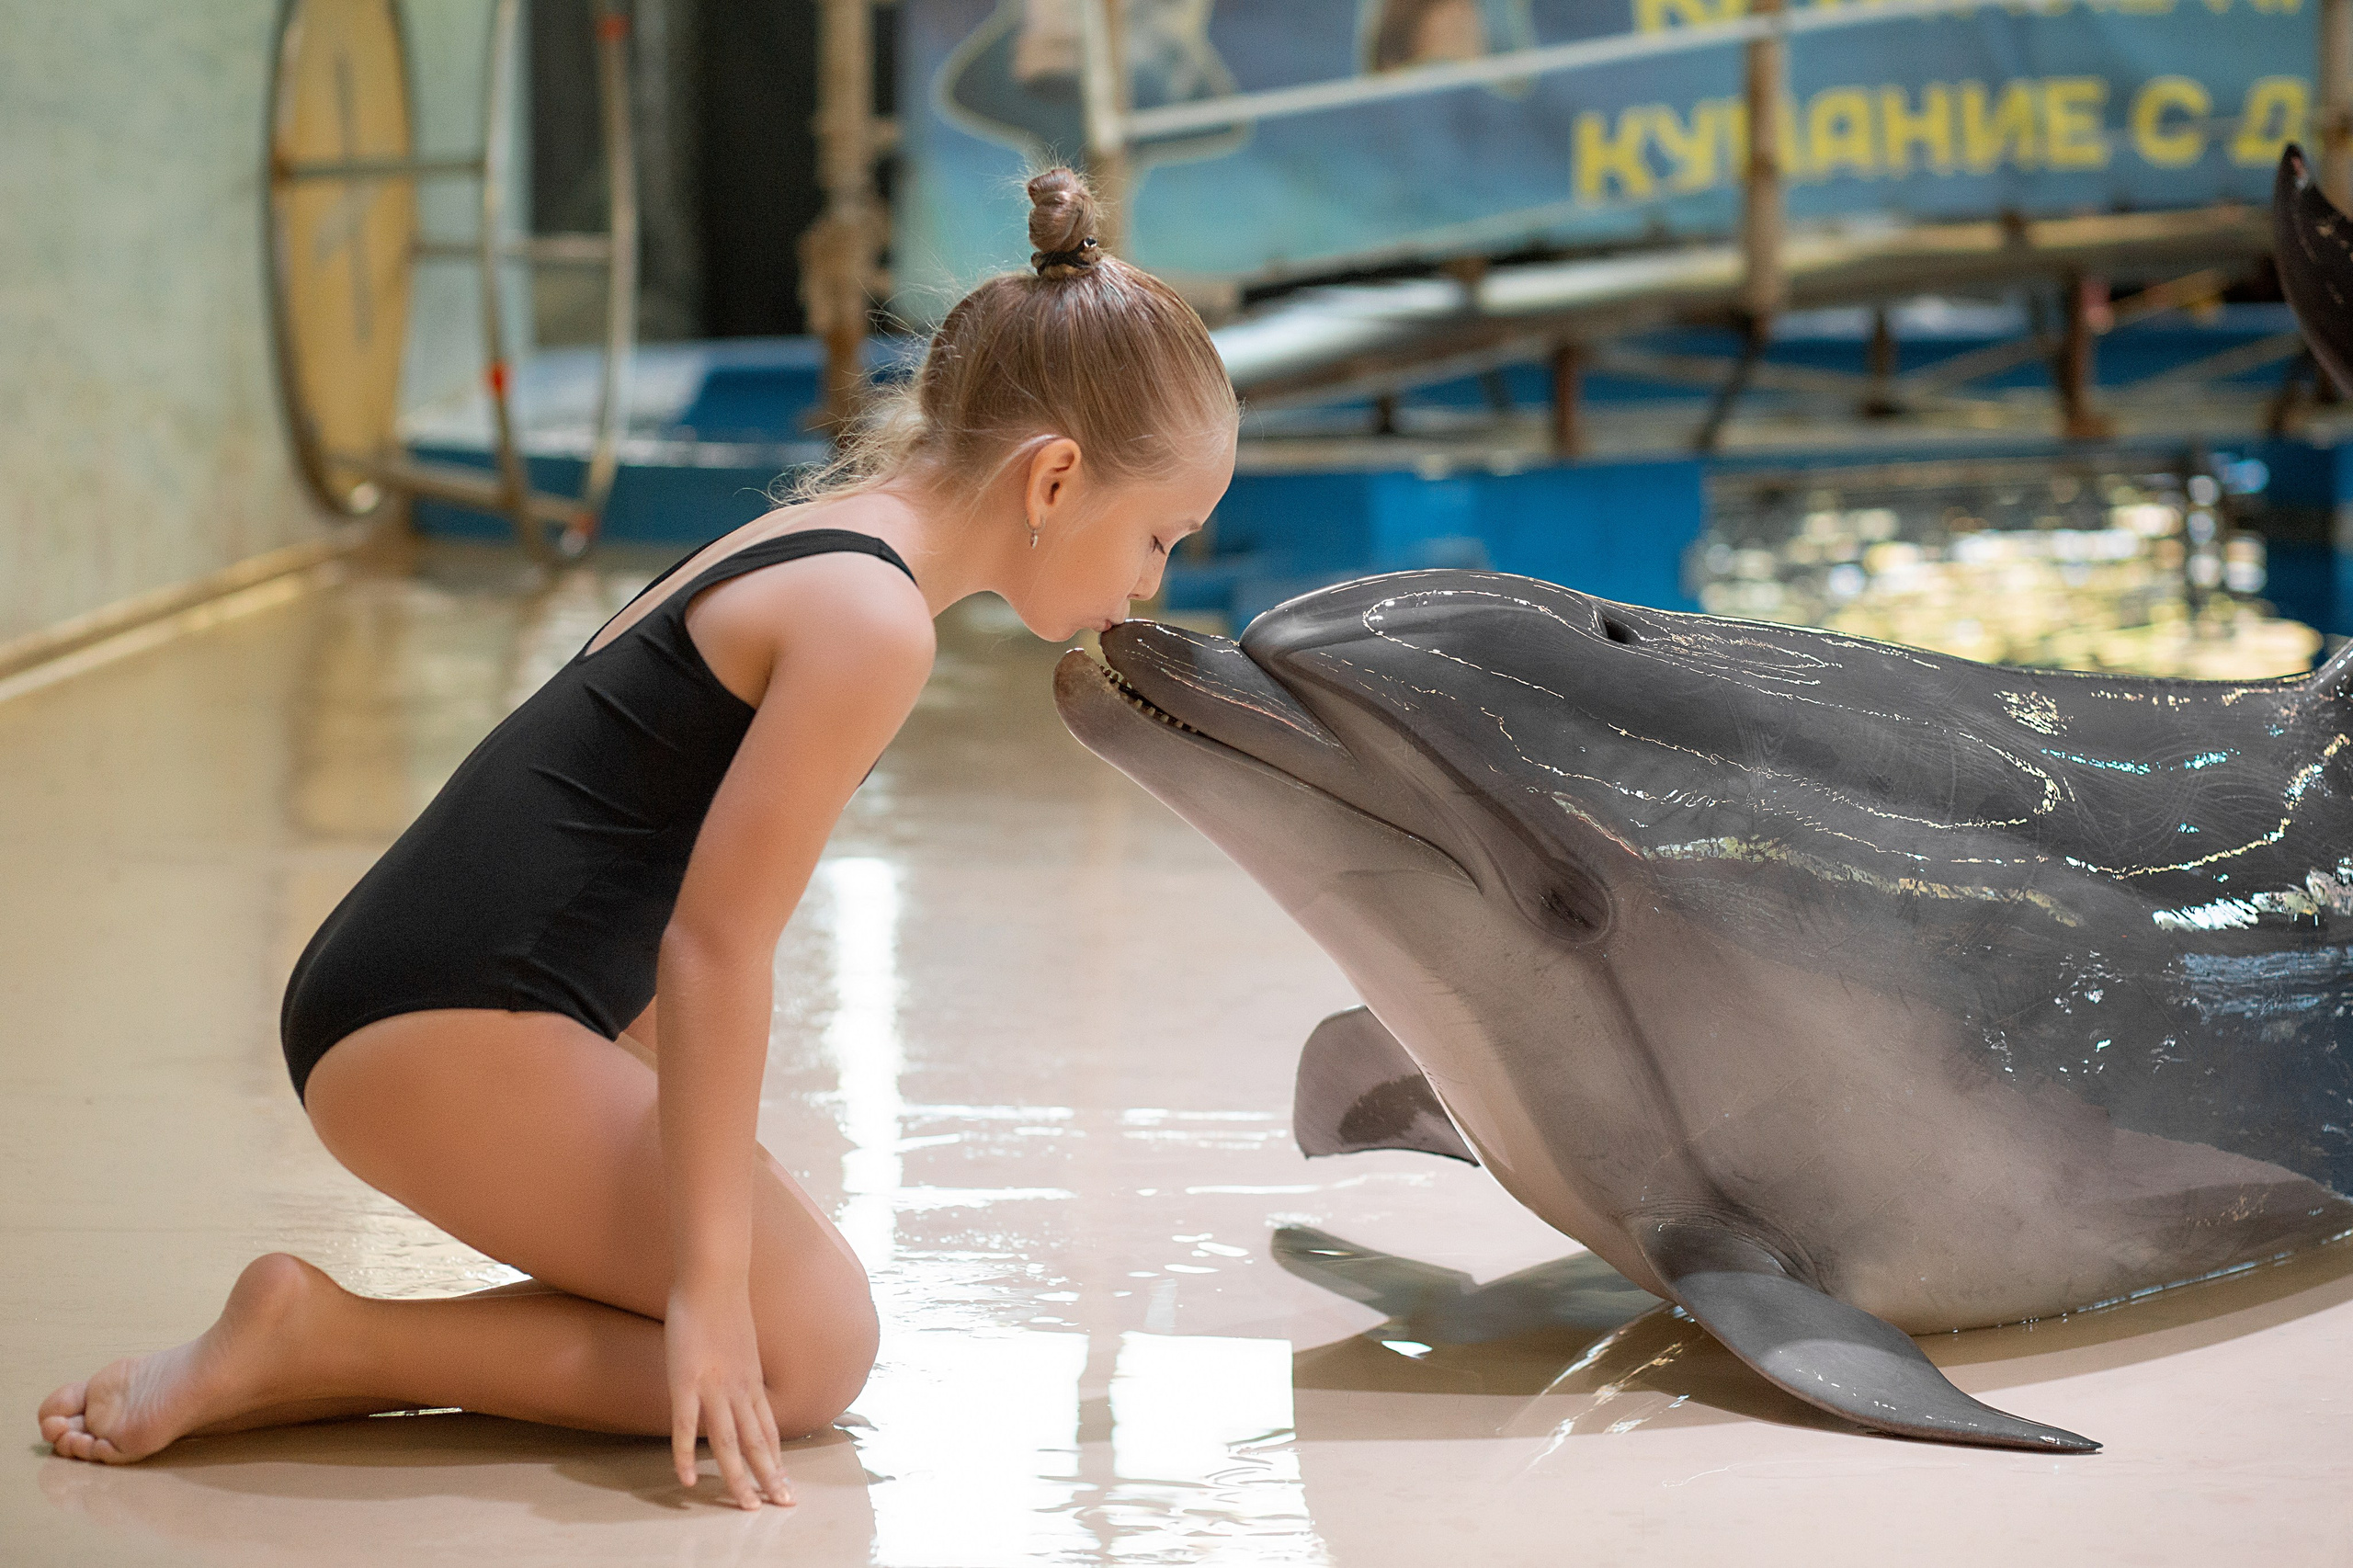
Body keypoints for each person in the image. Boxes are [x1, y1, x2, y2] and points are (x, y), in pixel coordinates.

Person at [38, 168, 1237, 1511]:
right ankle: (319, 1337)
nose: (1152, 581)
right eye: (1159, 536)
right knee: (812, 1348)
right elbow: (715, 946)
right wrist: (708, 1290)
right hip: (436, 1025)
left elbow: (627, 866)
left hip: (422, 987)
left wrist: (695, 1216)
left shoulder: (827, 542)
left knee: (773, 1267)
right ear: (1056, 477)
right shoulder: (872, 620)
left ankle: (327, 1340)